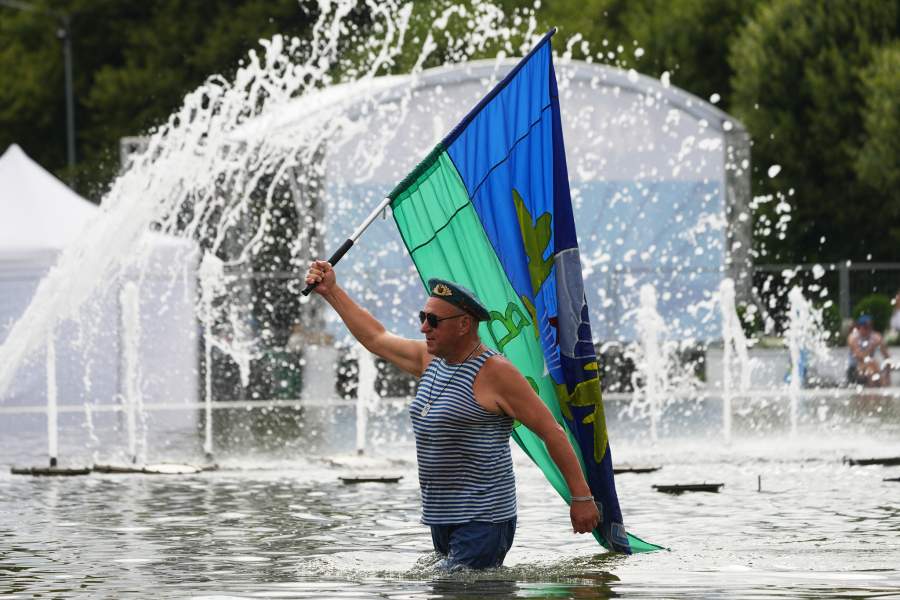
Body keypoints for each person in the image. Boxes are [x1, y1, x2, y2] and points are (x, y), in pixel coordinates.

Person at [304, 260, 600, 570]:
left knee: (453, 587)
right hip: (441, 517)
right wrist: (332, 291)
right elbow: (375, 338)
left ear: (464, 324)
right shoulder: (429, 359)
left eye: (433, 320)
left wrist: (581, 497)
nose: (423, 328)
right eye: (423, 318)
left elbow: (551, 431)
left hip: (484, 519)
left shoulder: (496, 373)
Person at [847, 314, 891, 387]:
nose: (868, 330)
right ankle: (878, 387)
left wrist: (887, 374)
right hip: (854, 370)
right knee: (871, 365)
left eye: (869, 327)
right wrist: (870, 348)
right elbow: (858, 356)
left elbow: (887, 357)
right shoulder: (853, 337)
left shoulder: (876, 337)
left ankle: (879, 389)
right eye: (865, 327)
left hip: (872, 369)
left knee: (872, 367)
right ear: (859, 327)